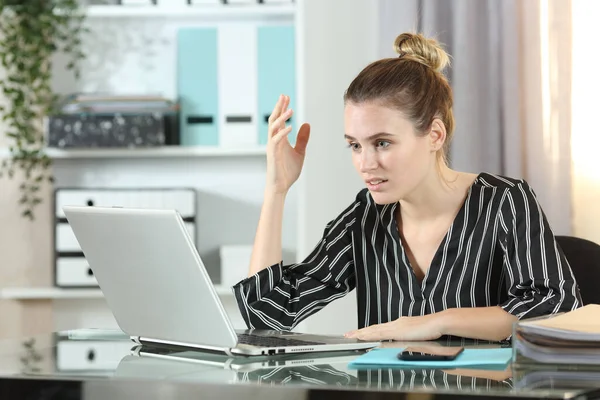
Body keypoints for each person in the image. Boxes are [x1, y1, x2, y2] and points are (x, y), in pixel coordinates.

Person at [232, 32, 582, 342]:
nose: (366, 163)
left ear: (434, 135)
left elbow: (553, 310)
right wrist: (276, 190)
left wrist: (437, 323)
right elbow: (268, 314)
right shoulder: (365, 218)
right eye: (355, 145)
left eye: (382, 143)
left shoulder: (504, 202)